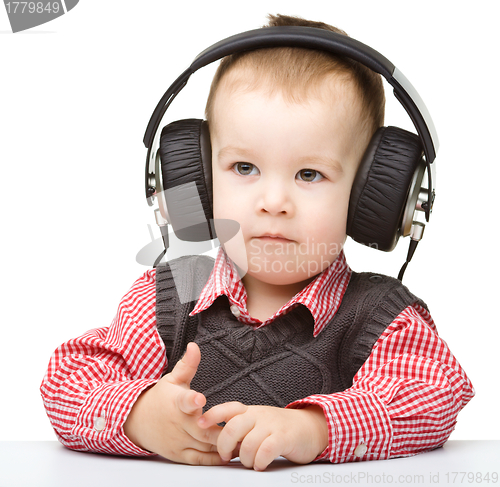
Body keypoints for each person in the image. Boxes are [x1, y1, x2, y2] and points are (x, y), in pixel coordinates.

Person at [40, 14, 474, 472]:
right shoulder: (164, 299)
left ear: (375, 200)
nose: (273, 202)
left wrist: (316, 428)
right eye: (244, 168)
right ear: (198, 182)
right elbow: (68, 382)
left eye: (310, 174)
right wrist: (139, 415)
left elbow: (435, 393)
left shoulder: (380, 316)